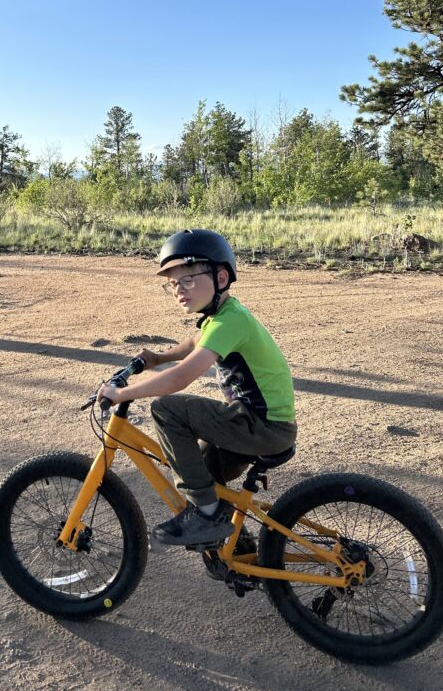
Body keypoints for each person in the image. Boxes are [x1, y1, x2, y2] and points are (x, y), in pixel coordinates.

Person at [97, 229, 296, 548]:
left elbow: (180, 378)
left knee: (167, 409)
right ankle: (235, 549)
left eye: (188, 279)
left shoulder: (230, 321)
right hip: (260, 424)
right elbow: (195, 342)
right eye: (173, 283)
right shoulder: (223, 317)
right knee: (201, 471)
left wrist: (121, 394)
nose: (179, 289)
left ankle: (207, 515)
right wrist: (157, 357)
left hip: (261, 426)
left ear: (220, 277)